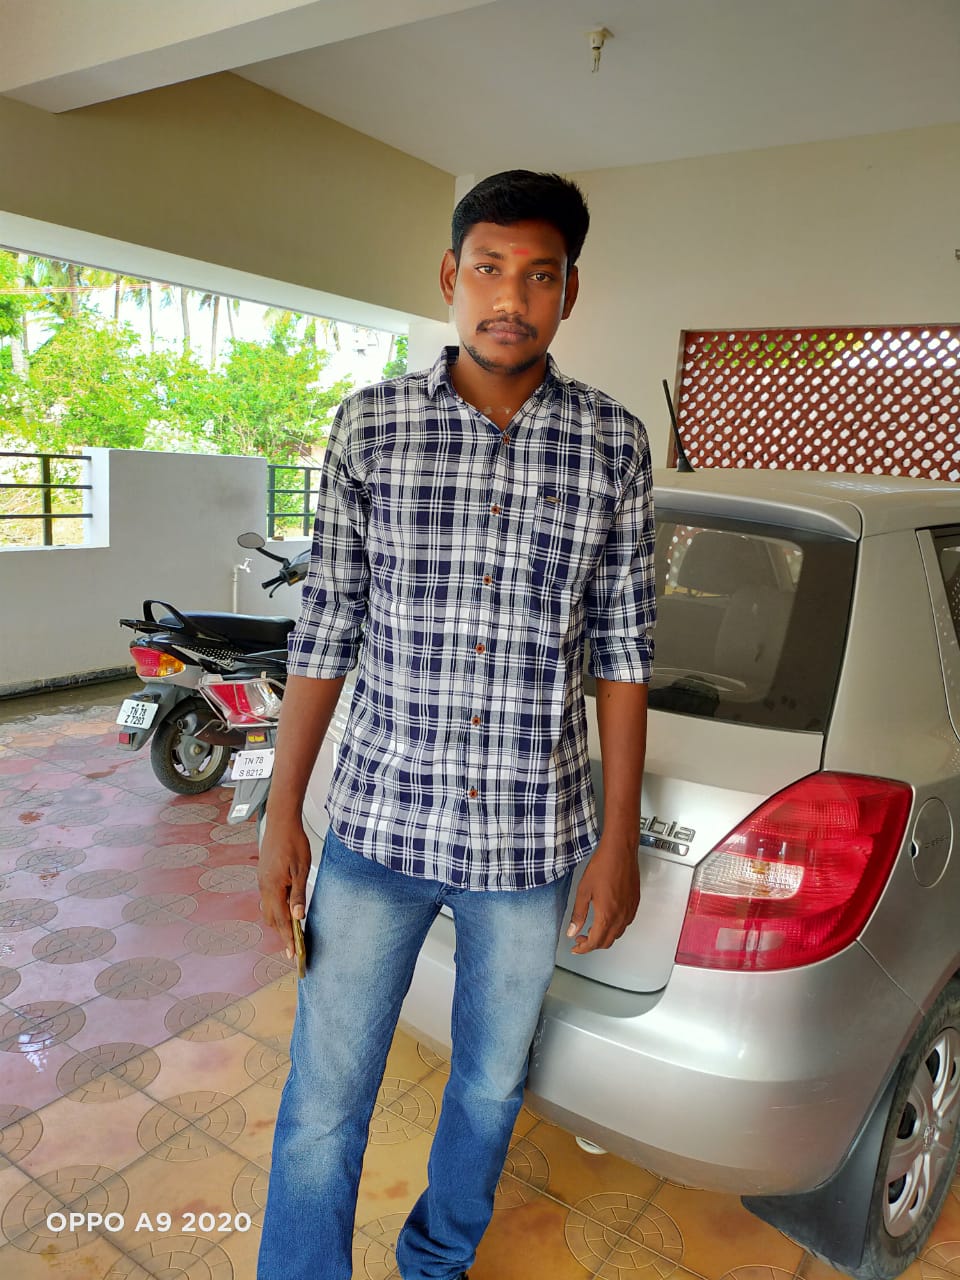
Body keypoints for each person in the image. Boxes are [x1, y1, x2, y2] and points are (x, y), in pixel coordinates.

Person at [256, 169, 655, 1280]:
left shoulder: (612, 444)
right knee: (326, 1090)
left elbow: (624, 653)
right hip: (377, 832)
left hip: (529, 846)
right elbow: (325, 631)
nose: (510, 298)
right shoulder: (371, 427)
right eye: (488, 268)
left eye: (540, 275)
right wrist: (282, 815)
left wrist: (616, 838)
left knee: (488, 1084)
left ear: (571, 291)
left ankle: (435, 1261)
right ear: (450, 275)